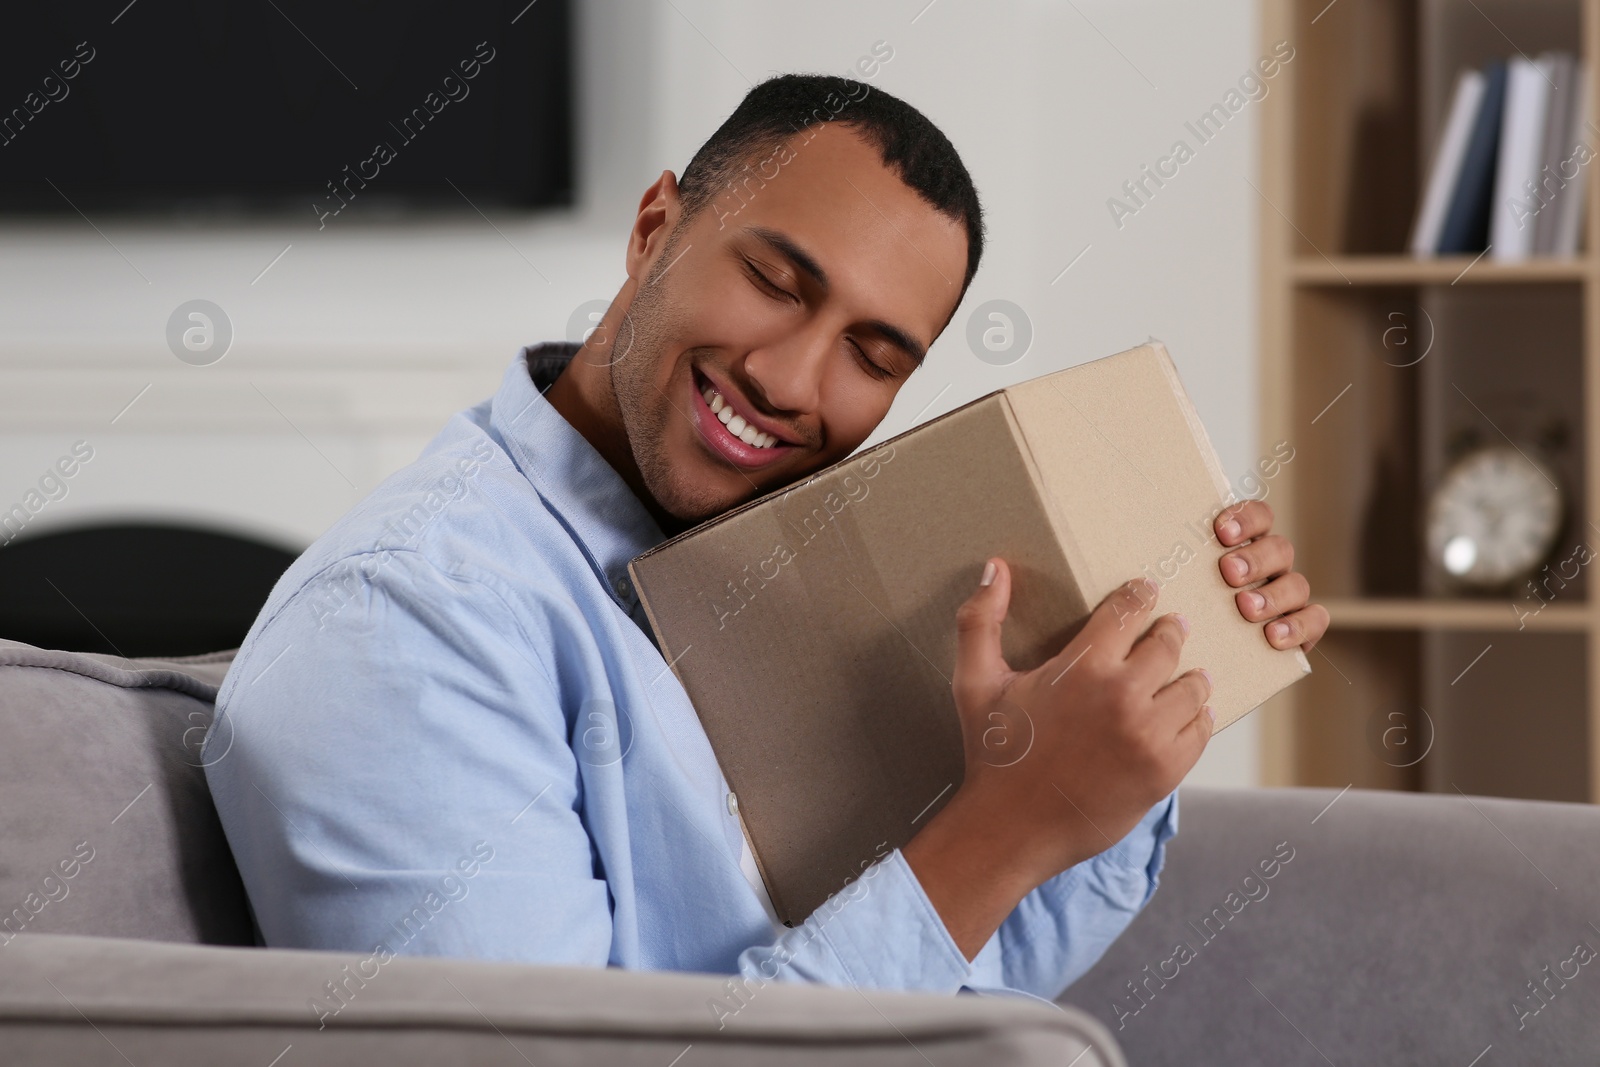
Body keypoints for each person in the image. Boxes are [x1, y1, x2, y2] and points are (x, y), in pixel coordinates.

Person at [203, 74, 1328, 1012]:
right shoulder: (406, 618)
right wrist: (1002, 825)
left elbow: (972, 977)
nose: (792, 382)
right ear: (653, 231)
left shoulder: (765, 573)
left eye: (875, 358)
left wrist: (1154, 681)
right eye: (773, 281)